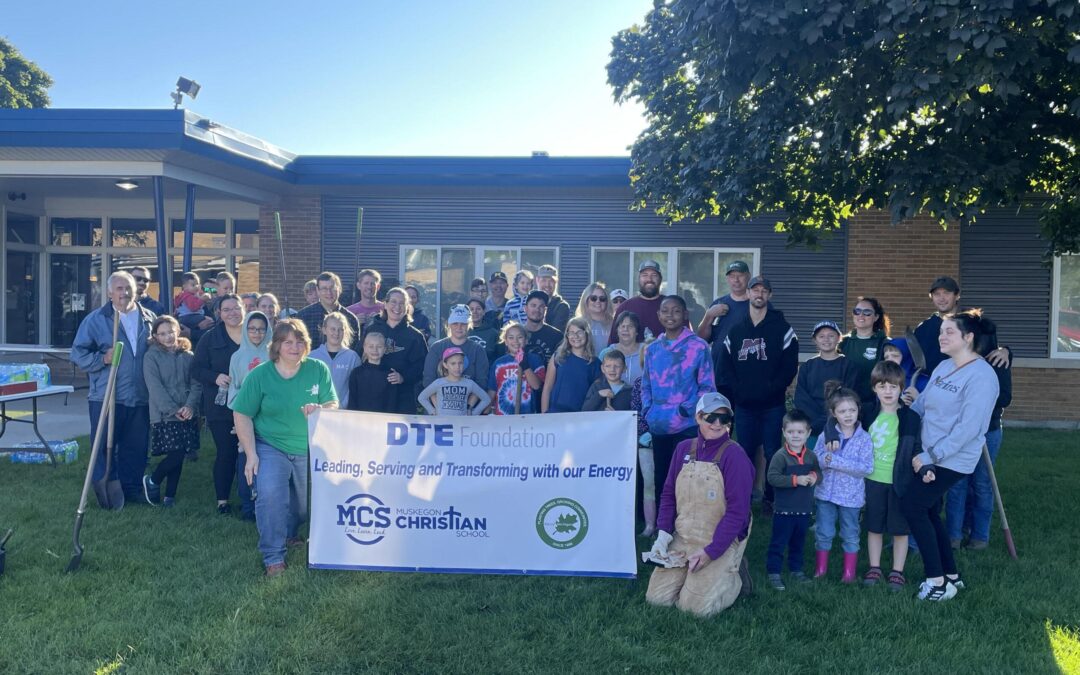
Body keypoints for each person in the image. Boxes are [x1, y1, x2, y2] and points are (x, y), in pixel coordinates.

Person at [902, 310, 999, 601]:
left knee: (914, 506)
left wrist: (932, 455)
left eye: (949, 332)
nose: (941, 337)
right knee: (929, 510)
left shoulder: (982, 376)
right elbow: (924, 405)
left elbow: (970, 428)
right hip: (929, 452)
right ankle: (951, 576)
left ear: (968, 337)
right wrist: (907, 406)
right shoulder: (944, 367)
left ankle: (937, 582)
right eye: (941, 331)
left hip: (952, 457)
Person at [234, 320, 338, 576]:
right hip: (270, 444)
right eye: (288, 342)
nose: (295, 347)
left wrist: (321, 410)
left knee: (301, 507)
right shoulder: (260, 375)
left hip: (307, 447)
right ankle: (273, 556)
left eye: (300, 341)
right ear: (277, 346)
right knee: (270, 495)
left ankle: (290, 532)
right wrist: (251, 454)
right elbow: (242, 413)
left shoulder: (318, 369)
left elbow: (333, 403)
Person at [645, 393, 754, 617]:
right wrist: (663, 535)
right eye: (711, 417)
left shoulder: (735, 456)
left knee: (694, 609)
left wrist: (710, 552)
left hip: (718, 541)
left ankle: (735, 574)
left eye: (724, 419)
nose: (717, 424)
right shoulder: (683, 448)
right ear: (698, 417)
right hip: (683, 536)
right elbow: (668, 495)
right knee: (656, 599)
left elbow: (738, 512)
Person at [71, 271, 155, 503]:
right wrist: (102, 360)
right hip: (107, 395)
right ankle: (106, 487)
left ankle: (132, 488)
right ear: (109, 292)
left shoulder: (148, 318)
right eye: (119, 288)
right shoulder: (97, 319)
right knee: (103, 447)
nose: (124, 293)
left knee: (136, 447)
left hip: (140, 395)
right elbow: (78, 353)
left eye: (128, 288)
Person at [717, 276, 799, 511]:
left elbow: (789, 365)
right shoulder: (736, 329)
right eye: (755, 290)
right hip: (744, 406)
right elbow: (725, 366)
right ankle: (742, 498)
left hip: (772, 405)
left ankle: (771, 499)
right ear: (749, 295)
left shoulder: (782, 328)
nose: (759, 294)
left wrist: (773, 388)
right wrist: (738, 391)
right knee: (744, 451)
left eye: (764, 291)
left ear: (769, 296)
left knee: (774, 451)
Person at [641, 295, 716, 506]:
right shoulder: (653, 350)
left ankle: (685, 528)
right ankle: (663, 527)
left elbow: (707, 387)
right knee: (662, 477)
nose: (670, 315)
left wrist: (687, 410)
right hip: (659, 424)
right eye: (665, 311)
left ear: (685, 315)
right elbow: (646, 385)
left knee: (687, 478)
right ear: (659, 315)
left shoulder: (698, 347)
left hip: (687, 425)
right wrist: (649, 410)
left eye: (675, 311)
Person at [945, 333, 1013, 551]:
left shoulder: (997, 361)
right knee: (957, 483)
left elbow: (1004, 398)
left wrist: (978, 401)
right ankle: (953, 536)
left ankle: (979, 537)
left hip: (988, 430)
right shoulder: (956, 361)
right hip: (960, 430)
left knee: (982, 483)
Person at [861, 360, 920, 591]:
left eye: (893, 387)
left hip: (899, 482)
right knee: (874, 526)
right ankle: (874, 567)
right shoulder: (866, 413)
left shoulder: (910, 418)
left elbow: (916, 447)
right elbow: (840, 421)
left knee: (899, 529)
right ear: (874, 388)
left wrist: (922, 468)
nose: (888, 391)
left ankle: (897, 571)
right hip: (872, 480)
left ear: (901, 388)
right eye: (882, 386)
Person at [191, 294, 252, 517]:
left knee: (250, 451)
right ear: (219, 314)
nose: (232, 313)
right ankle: (223, 500)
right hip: (221, 407)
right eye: (226, 310)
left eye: (236, 308)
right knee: (226, 453)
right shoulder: (209, 338)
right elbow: (195, 369)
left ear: (244, 309)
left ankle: (251, 498)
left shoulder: (254, 335)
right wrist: (214, 376)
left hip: (252, 407)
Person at [812, 383, 873, 583]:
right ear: (833, 413)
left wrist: (834, 461)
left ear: (858, 410)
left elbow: (865, 468)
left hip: (851, 497)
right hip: (825, 494)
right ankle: (820, 570)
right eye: (842, 411)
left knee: (850, 533)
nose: (848, 415)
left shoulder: (864, 439)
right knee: (824, 531)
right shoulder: (826, 435)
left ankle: (849, 573)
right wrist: (824, 460)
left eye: (852, 410)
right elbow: (817, 457)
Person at [141, 315, 202, 507]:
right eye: (162, 334)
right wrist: (172, 410)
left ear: (178, 331)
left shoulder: (188, 355)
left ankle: (170, 496)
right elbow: (155, 387)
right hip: (165, 414)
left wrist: (190, 406)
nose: (167, 337)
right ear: (155, 336)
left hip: (187, 412)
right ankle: (152, 480)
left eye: (171, 332)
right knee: (175, 454)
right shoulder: (151, 356)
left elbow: (196, 383)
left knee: (180, 453)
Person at [911, 277, 1010, 392]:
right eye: (937, 294)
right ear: (931, 297)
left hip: (969, 392)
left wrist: (1005, 351)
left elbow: (991, 353)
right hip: (933, 394)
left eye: (946, 293)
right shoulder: (922, 329)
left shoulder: (973, 323)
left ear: (957, 295)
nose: (941, 298)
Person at [765, 409, 820, 590]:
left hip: (804, 510)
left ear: (808, 433)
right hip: (784, 510)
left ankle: (796, 570)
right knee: (779, 542)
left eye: (800, 432)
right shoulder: (780, 456)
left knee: (799, 542)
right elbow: (772, 478)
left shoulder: (811, 456)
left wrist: (814, 476)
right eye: (790, 432)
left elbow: (819, 474)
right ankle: (774, 572)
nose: (795, 436)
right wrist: (795, 480)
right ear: (783, 432)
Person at [362, 287, 428, 414]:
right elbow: (361, 358)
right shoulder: (372, 330)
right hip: (373, 395)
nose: (397, 307)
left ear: (407, 307)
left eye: (402, 303)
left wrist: (404, 377)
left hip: (402, 398)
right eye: (393, 302)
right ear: (385, 304)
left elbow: (422, 366)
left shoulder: (415, 336)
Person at [794, 320, 858, 443]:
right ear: (815, 340)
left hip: (840, 426)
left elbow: (849, 396)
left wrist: (832, 419)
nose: (826, 339)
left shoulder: (848, 366)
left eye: (831, 336)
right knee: (812, 461)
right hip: (812, 426)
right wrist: (817, 421)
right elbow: (801, 398)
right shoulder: (807, 366)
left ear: (839, 338)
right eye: (821, 336)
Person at [700, 261, 757, 398]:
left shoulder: (758, 304)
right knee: (721, 418)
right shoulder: (718, 305)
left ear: (748, 277)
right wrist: (709, 315)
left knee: (745, 418)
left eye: (740, 275)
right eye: (732, 276)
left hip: (749, 376)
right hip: (720, 375)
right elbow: (702, 339)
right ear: (727, 279)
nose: (736, 280)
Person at [607, 259, 684, 344]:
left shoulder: (672, 306)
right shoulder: (625, 307)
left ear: (660, 279)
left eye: (654, 275)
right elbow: (613, 342)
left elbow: (686, 337)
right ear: (638, 279)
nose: (649, 279)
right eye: (645, 275)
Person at [839, 296, 890, 409]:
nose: (861, 315)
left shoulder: (885, 343)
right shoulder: (842, 342)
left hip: (875, 405)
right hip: (846, 405)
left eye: (867, 312)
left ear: (876, 317)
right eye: (857, 311)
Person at [542, 317, 600, 413]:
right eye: (571, 333)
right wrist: (544, 413)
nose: (575, 336)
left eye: (579, 332)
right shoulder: (558, 356)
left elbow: (595, 395)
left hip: (580, 415)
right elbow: (547, 387)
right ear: (567, 336)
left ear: (587, 334)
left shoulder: (595, 363)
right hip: (555, 412)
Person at [423, 304, 489, 388]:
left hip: (470, 398)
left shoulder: (478, 350)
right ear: (449, 324)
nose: (459, 327)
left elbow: (482, 382)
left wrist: (469, 401)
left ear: (469, 325)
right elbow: (428, 379)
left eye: (463, 324)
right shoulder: (437, 348)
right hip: (440, 398)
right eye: (455, 323)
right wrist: (437, 401)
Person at [488, 322, 545, 415]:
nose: (515, 341)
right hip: (503, 416)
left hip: (527, 416)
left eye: (520, 337)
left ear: (526, 340)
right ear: (505, 341)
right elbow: (492, 390)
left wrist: (525, 365)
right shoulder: (498, 364)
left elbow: (537, 386)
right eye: (511, 337)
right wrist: (485, 410)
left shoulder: (534, 359)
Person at [296, 271, 361, 351]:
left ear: (339, 289)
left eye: (332, 288)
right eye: (324, 289)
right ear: (318, 290)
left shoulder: (351, 319)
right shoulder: (303, 316)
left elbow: (355, 350)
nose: (329, 292)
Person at [418, 347, 491, 415]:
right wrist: (433, 411)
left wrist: (472, 413)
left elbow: (486, 399)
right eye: (453, 363)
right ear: (445, 365)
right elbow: (422, 397)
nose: (457, 367)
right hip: (442, 422)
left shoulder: (469, 383)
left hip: (460, 424)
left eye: (460, 363)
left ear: (464, 363)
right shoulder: (439, 383)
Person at [309, 312, 361, 409]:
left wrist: (341, 406)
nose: (336, 333)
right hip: (318, 411)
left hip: (343, 413)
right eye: (332, 329)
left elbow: (355, 387)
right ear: (324, 330)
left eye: (340, 329)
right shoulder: (312, 356)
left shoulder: (352, 357)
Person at [227, 311, 271, 404]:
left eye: (262, 329)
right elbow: (234, 387)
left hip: (270, 407)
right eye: (252, 328)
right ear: (245, 329)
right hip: (245, 406)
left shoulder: (274, 355)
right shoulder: (237, 357)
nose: (257, 333)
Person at [347, 332, 396, 412]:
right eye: (371, 346)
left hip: (383, 420)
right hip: (360, 419)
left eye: (379, 347)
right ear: (365, 348)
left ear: (384, 349)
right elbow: (352, 401)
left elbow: (391, 404)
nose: (375, 350)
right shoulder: (356, 373)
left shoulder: (390, 375)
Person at [523, 290, 562, 369]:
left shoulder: (557, 336)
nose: (537, 310)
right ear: (525, 308)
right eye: (533, 305)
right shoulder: (516, 335)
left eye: (541, 306)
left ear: (545, 310)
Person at [575, 282, 614, 348]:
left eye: (602, 299)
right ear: (586, 300)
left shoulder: (614, 324)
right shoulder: (577, 324)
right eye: (593, 298)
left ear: (607, 302)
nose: (598, 301)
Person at [174, 272, 211, 341]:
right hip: (187, 317)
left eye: (197, 284)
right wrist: (202, 300)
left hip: (191, 316)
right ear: (185, 287)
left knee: (208, 321)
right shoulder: (187, 296)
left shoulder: (196, 292)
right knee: (208, 321)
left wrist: (213, 291)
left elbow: (208, 290)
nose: (196, 287)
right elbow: (193, 308)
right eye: (193, 285)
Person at [610, 311, 644, 385]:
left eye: (630, 326)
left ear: (637, 331)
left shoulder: (646, 351)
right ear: (617, 330)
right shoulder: (608, 352)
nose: (626, 329)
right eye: (622, 326)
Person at [536, 265, 571, 332]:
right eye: (544, 280)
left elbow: (555, 334)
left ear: (556, 282)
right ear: (537, 280)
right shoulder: (528, 302)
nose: (547, 285)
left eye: (551, 281)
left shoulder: (561, 306)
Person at [467, 298, 501, 365]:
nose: (475, 312)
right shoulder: (460, 332)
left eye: (478, 309)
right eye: (471, 309)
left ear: (484, 311)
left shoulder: (494, 333)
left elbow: (499, 358)